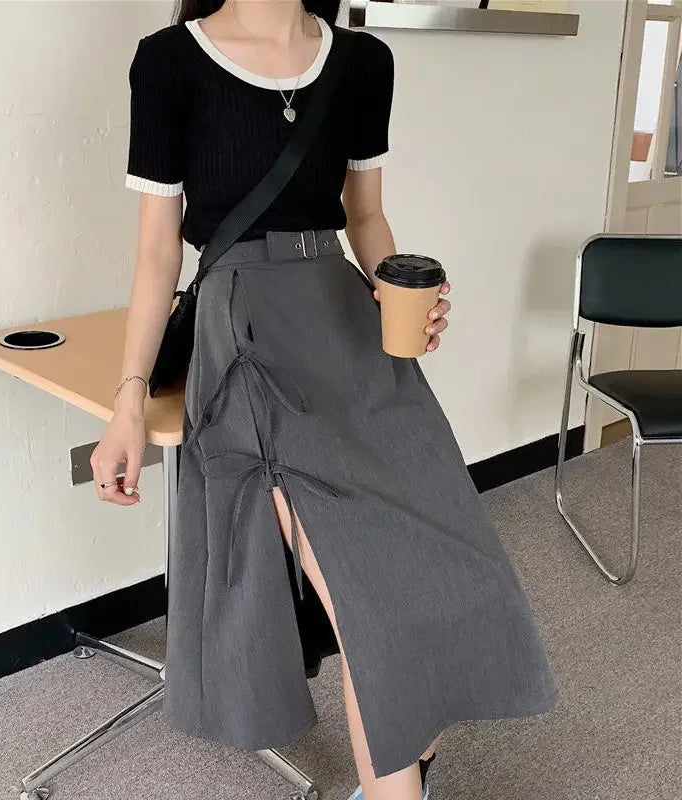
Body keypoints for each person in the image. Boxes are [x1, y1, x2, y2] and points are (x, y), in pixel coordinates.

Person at [90, 2, 560, 799]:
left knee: (460, 570)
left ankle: (403, 757)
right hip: (246, 332)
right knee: (367, 608)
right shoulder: (169, 61)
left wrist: (400, 288)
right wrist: (129, 399)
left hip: (348, 324)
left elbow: (365, 215)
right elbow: (157, 249)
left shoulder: (363, 62)